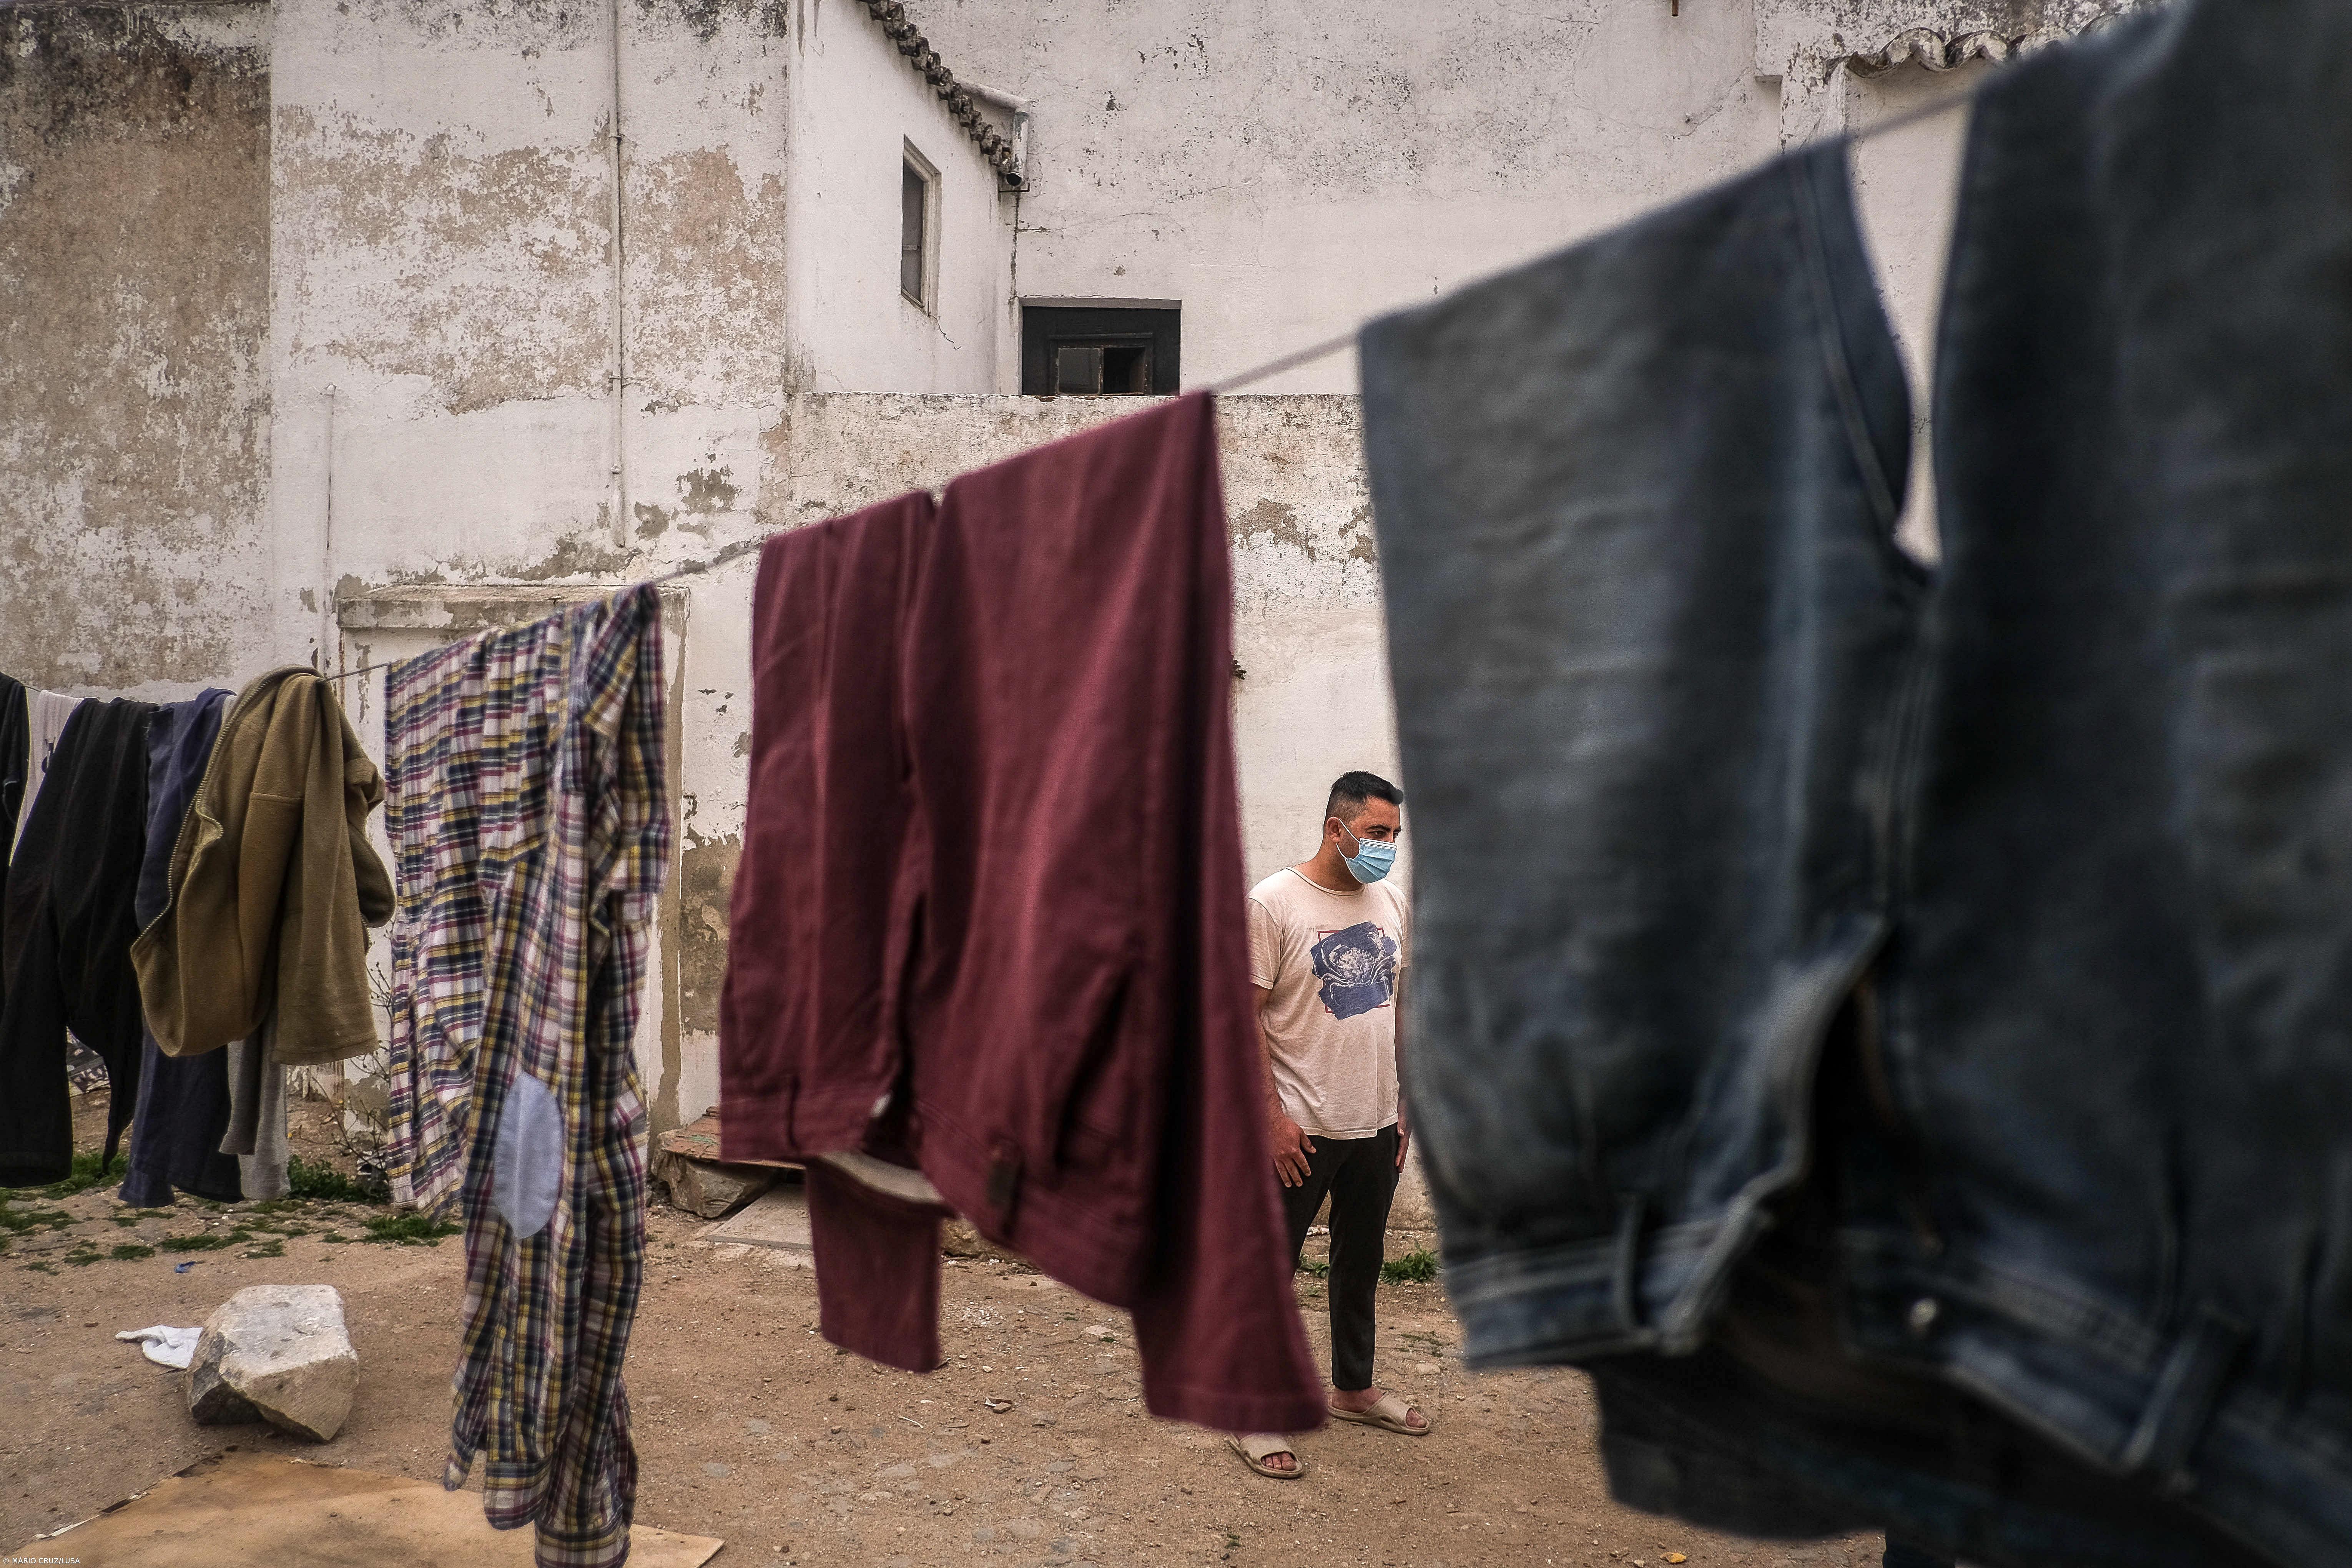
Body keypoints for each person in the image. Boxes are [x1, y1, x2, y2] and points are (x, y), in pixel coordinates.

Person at [1228, 770, 1432, 1480]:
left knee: (1360, 1264)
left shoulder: (1390, 901)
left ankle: (1353, 1387)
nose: (1388, 848)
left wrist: (1408, 1099)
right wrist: (1271, 1119)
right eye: (1377, 833)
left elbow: (1398, 1009)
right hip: (1299, 1127)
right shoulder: (1273, 903)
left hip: (1375, 1121)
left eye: (1396, 836)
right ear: (1335, 828)